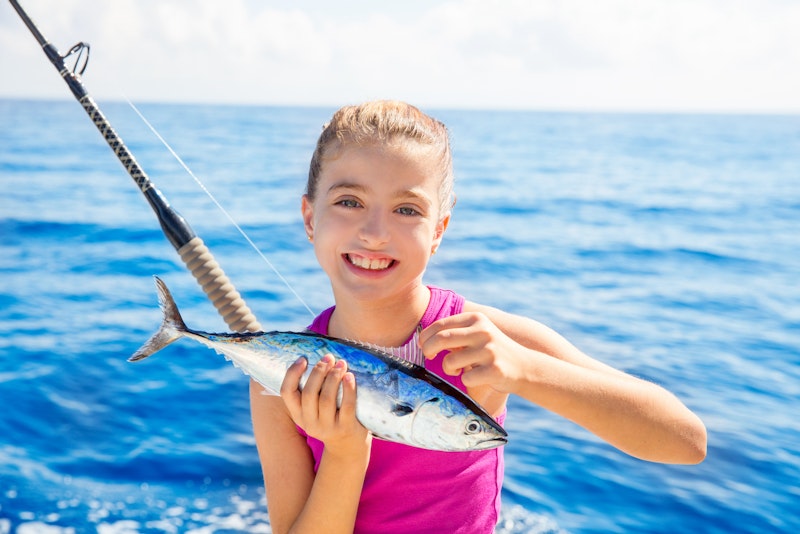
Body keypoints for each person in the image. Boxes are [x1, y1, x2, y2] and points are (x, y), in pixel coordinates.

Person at [250, 100, 707, 534]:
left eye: (406, 209)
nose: (374, 233)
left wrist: (526, 371)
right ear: (310, 218)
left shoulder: (485, 341)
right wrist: (346, 455)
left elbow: (685, 441)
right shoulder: (281, 378)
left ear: (438, 232)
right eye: (349, 201)